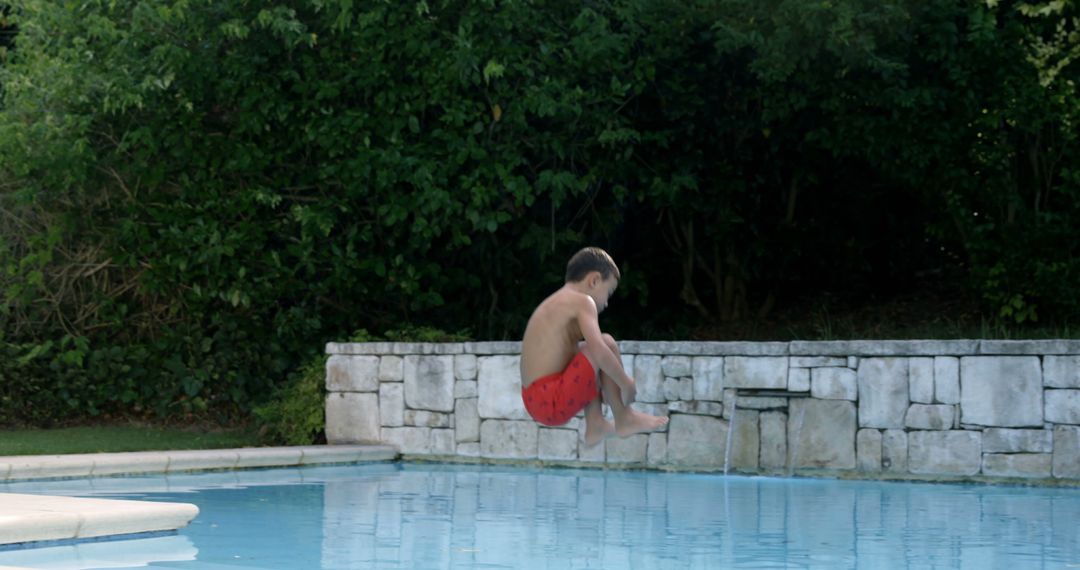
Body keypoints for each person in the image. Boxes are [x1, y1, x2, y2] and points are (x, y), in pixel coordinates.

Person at [520, 246, 669, 446]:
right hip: (550, 400)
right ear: (594, 280)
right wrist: (625, 383)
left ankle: (595, 424)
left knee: (584, 352)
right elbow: (599, 350)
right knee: (604, 343)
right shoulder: (582, 301)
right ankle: (624, 418)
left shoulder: (557, 301)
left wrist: (607, 386)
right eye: (608, 292)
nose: (606, 303)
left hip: (535, 399)